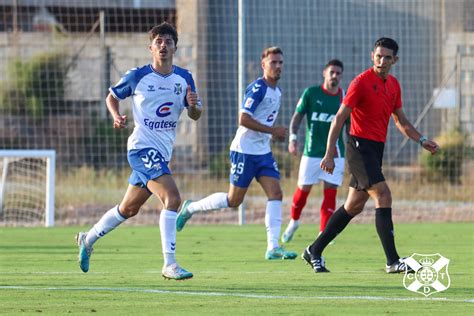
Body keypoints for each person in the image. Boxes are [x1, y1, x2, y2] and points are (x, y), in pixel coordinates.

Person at [75, 22, 202, 280]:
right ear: (151, 48)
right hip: (141, 148)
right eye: (159, 42)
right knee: (173, 198)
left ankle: (87, 239)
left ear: (175, 47)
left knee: (128, 209)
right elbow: (112, 96)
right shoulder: (138, 76)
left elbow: (196, 115)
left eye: (168, 41)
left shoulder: (185, 78)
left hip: (162, 154)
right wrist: (116, 115)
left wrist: (193, 106)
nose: (163, 46)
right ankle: (170, 264)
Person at [302, 37, 440, 273]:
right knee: (383, 195)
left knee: (353, 206)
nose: (382, 60)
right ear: (372, 56)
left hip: (375, 149)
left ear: (395, 60)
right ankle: (393, 261)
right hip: (358, 147)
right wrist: (329, 153)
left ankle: (314, 250)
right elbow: (339, 118)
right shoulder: (361, 83)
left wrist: (422, 140)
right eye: (378, 56)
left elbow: (402, 121)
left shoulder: (394, 86)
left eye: (387, 57)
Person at [176, 47, 297, 260]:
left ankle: (273, 247)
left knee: (276, 193)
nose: (278, 66)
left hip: (263, 152)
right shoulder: (257, 88)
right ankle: (191, 208)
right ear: (264, 65)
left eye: (280, 62)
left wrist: (270, 135)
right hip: (244, 151)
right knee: (234, 201)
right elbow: (243, 119)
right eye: (273, 62)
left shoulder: (277, 92)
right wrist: (273, 131)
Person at [282, 59, 347, 244]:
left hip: (336, 154)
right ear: (324, 73)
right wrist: (293, 139)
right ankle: (294, 222)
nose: (335, 76)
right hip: (311, 153)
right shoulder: (311, 93)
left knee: (330, 192)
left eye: (338, 73)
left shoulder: (344, 97)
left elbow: (350, 126)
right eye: (332, 72)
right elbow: (297, 118)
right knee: (303, 191)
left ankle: (323, 233)